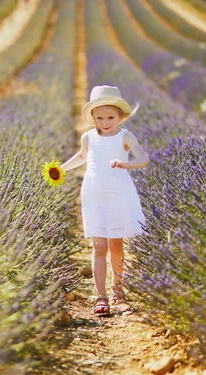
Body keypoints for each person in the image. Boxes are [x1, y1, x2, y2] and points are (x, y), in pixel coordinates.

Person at [61, 85, 149, 315]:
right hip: (93, 192)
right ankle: (101, 297)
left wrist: (125, 164)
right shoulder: (88, 137)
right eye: (100, 118)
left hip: (117, 191)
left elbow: (144, 159)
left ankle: (117, 289)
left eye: (110, 117)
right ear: (93, 118)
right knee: (98, 245)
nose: (105, 121)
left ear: (120, 116)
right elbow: (82, 156)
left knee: (115, 245)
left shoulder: (125, 136)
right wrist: (61, 169)